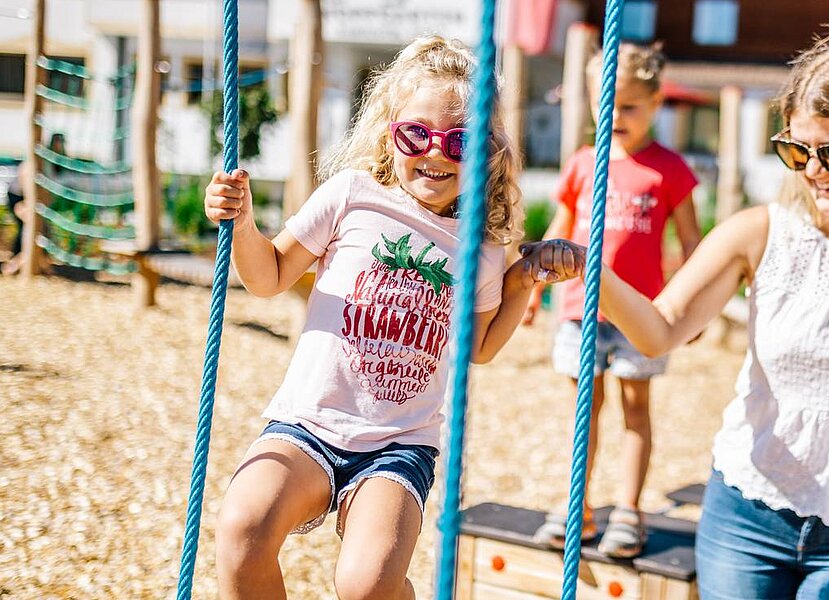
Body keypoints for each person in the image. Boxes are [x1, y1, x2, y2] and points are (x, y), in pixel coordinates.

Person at [575, 34, 829, 598]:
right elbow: (659, 332)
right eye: (797, 151)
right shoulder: (757, 233)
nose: (814, 170)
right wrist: (588, 269)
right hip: (747, 516)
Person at [202, 36, 583, 600]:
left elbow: (478, 347)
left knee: (369, 584)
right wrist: (242, 223)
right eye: (417, 134)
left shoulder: (478, 246)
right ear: (390, 130)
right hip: (307, 424)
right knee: (243, 527)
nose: (435, 153)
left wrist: (520, 282)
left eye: (459, 141)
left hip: (398, 444)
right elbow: (268, 277)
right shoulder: (351, 197)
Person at [525, 42, 701, 558]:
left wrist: (687, 308)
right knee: (585, 409)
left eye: (630, 106)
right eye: (607, 104)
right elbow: (560, 233)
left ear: (655, 103)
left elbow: (692, 244)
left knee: (636, 408)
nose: (617, 117)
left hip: (641, 316)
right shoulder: (584, 164)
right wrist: (534, 290)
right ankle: (576, 503)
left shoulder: (668, 170)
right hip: (581, 310)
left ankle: (628, 506)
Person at [2, 133, 65, 276]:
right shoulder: (32, 164)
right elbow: (27, 186)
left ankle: (29, 262)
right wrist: (30, 205)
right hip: (21, 198)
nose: (58, 147)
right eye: (56, 143)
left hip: (35, 201)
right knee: (32, 229)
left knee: (36, 230)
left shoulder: (54, 163)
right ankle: (18, 263)